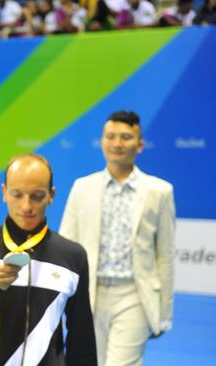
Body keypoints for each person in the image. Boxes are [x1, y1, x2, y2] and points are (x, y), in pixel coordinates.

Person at [60, 110, 175, 366]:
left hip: (134, 294)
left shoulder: (160, 191)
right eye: (110, 136)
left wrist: (164, 311)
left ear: (140, 145)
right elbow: (67, 248)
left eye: (126, 137)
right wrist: (63, 302)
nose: (117, 143)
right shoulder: (82, 187)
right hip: (90, 295)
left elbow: (165, 255)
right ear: (102, 141)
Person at [0, 153, 97, 365]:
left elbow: (82, 338)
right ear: (4, 192)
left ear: (51, 195)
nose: (26, 206)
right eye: (17, 194)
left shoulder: (72, 256)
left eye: (37, 196)